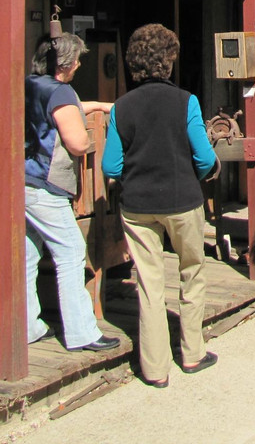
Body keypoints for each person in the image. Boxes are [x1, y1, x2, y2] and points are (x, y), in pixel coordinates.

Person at [101, 24, 220, 387]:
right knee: (191, 273)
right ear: (168, 62)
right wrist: (198, 172)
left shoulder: (121, 107)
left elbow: (111, 166)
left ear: (135, 63)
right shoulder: (187, 101)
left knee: (149, 284)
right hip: (182, 199)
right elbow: (203, 156)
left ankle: (154, 369)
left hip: (137, 205)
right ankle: (192, 353)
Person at [24, 32, 119, 352]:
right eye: (77, 59)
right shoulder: (61, 92)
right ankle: (82, 332)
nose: (79, 64)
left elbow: (73, 106)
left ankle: (27, 325)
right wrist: (97, 141)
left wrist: (105, 106)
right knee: (70, 253)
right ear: (65, 65)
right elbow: (77, 143)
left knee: (27, 256)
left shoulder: (33, 84)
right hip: (47, 184)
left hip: (22, 181)